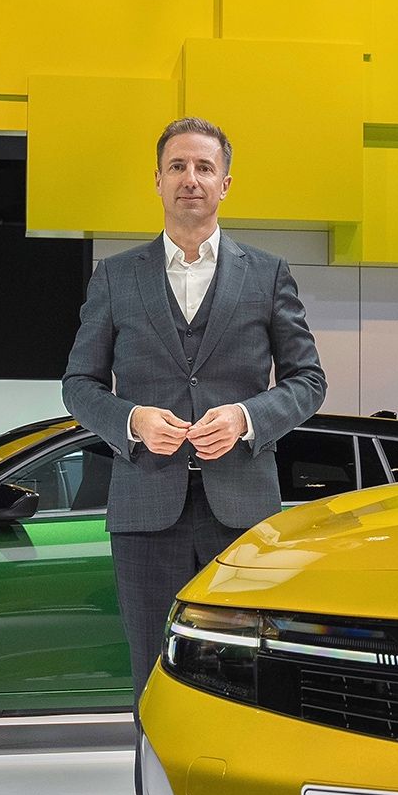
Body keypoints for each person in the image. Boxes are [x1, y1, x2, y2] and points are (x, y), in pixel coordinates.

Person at [62, 115, 325, 718]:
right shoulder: (116, 278)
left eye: (204, 167)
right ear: (156, 180)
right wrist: (132, 420)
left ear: (225, 184)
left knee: (247, 681)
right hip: (145, 511)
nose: (190, 178)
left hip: (244, 516)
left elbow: (309, 381)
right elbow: (78, 386)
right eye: (177, 166)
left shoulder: (268, 274)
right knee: (153, 681)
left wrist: (246, 417)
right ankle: (155, 786)